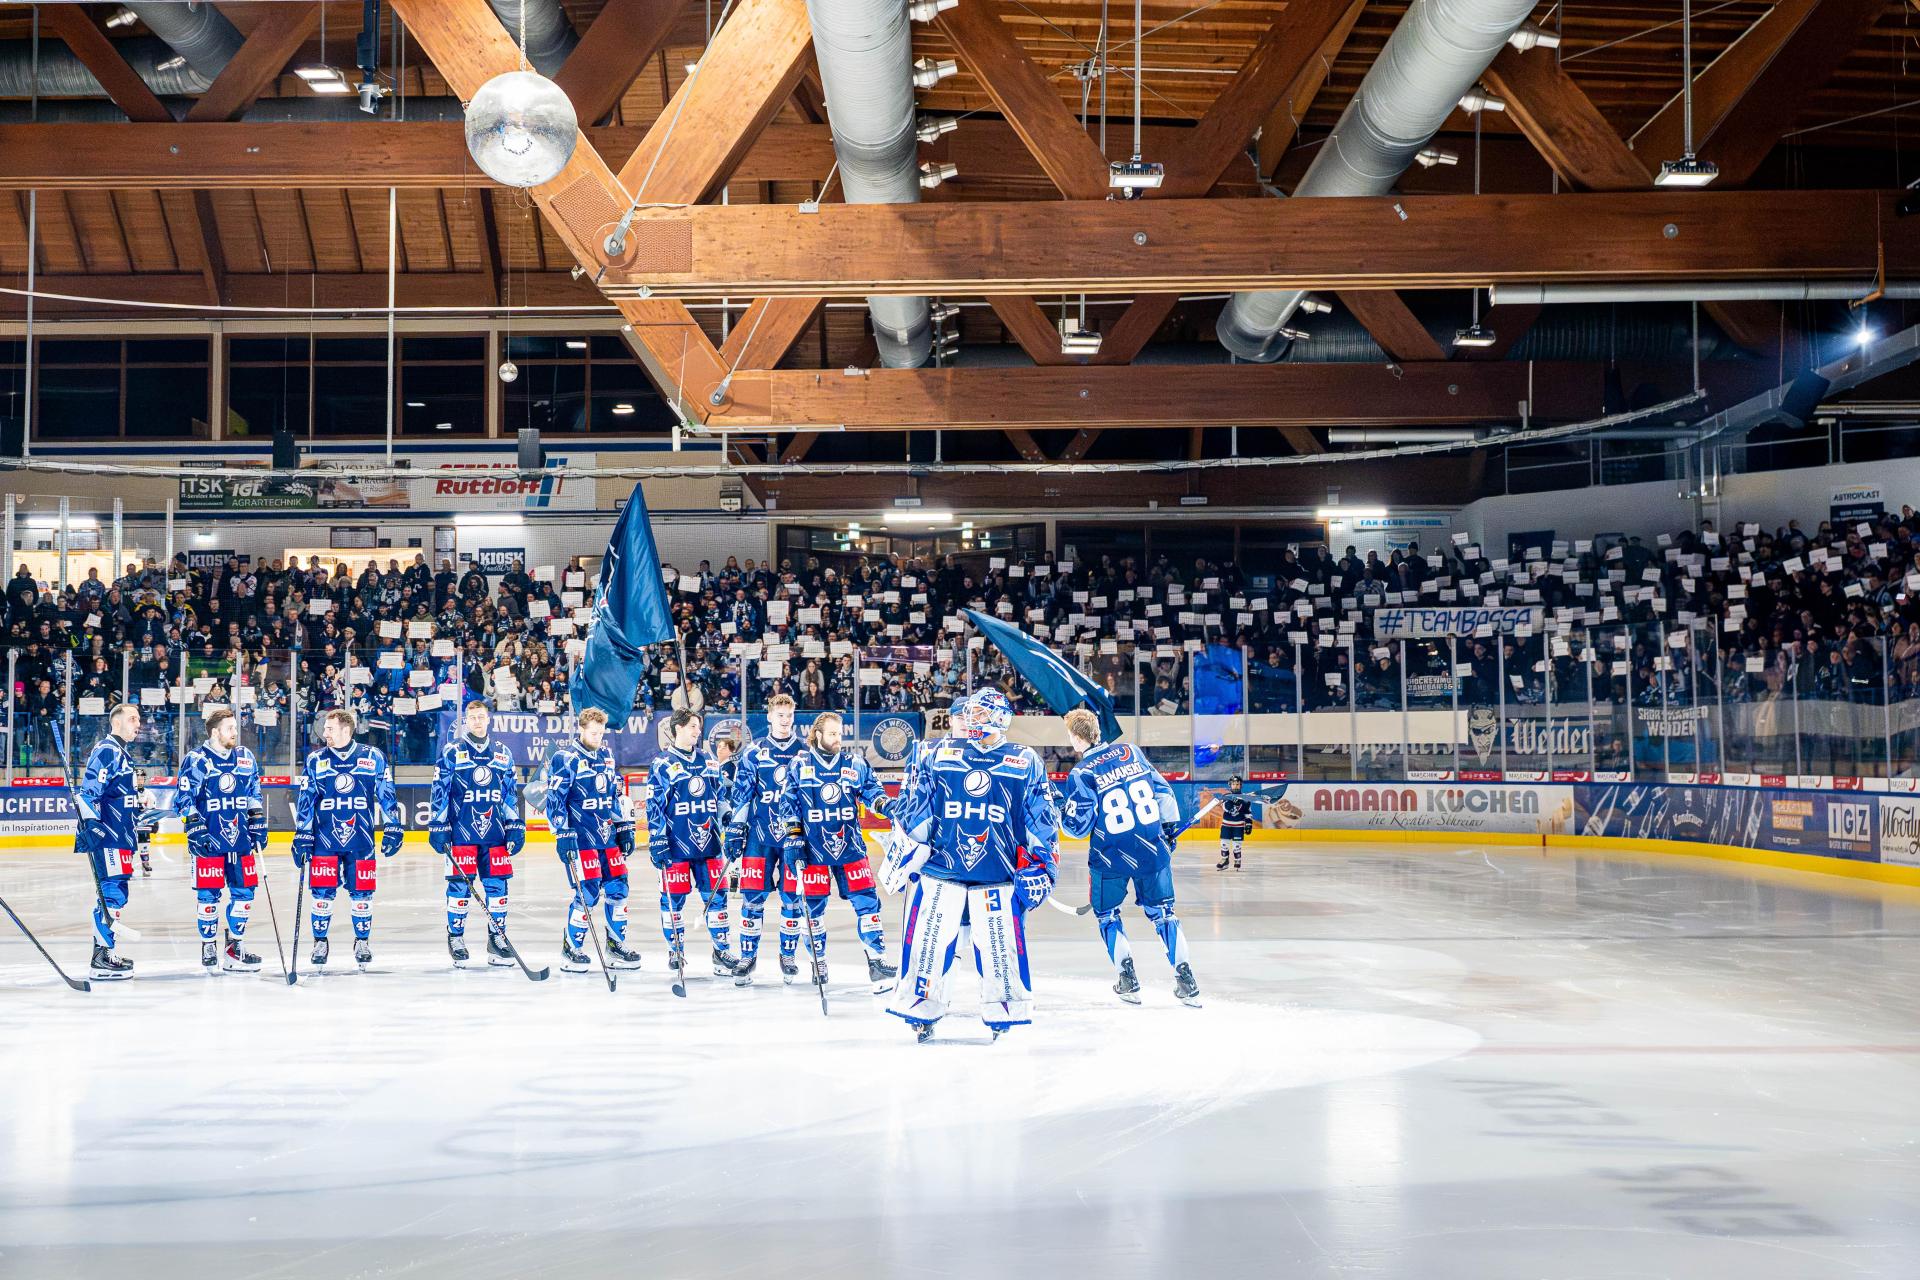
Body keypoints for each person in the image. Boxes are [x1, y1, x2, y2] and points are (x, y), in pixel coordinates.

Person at [881, 688, 1057, 1043]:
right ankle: (921, 1007)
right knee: (929, 944)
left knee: (998, 949)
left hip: (998, 874)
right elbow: (918, 811)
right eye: (970, 713)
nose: (971, 719)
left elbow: (1041, 819)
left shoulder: (1024, 761)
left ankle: (1002, 1010)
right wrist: (904, 856)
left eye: (980, 713)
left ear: (1000, 718)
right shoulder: (937, 754)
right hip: (941, 871)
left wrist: (1043, 867)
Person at [1058, 708, 1200, 1007]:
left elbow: (1076, 828)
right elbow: (1163, 791)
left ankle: (1127, 979)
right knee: (1164, 914)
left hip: (1110, 855)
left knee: (1108, 915)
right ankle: (1186, 979)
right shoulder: (1131, 752)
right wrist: (1169, 829)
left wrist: (1060, 807)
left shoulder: (1082, 773)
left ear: (1076, 738)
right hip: (1152, 849)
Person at [773, 710, 898, 992]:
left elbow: (872, 791)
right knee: (812, 908)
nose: (838, 738)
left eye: (839, 733)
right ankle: (818, 963)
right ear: (817, 735)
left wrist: (887, 806)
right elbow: (788, 804)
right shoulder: (799, 765)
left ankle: (877, 961)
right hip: (813, 850)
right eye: (832, 734)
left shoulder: (855, 763)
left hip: (850, 847)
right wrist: (793, 837)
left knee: (868, 902)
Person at [291, 707, 404, 968]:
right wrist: (302, 834)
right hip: (324, 841)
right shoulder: (316, 760)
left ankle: (362, 941)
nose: (325, 733)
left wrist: (393, 826)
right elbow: (306, 799)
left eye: (330, 729)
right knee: (322, 894)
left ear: (346, 730)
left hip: (361, 840)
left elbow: (386, 793)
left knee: (362, 893)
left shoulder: (372, 757)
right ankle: (320, 942)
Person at [429, 698, 525, 968]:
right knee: (459, 887)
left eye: (481, 717)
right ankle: (456, 937)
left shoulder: (503, 753)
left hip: (495, 834)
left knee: (498, 888)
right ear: (466, 721)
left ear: (488, 719)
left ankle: (497, 940)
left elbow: (509, 794)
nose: (477, 722)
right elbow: (439, 790)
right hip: (462, 834)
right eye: (472, 718)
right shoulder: (452, 751)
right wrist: (437, 825)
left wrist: (515, 825)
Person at [545, 706, 640, 972]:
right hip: (581, 839)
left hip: (607, 837)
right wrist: (562, 833)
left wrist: (624, 826)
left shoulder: (607, 756)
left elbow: (613, 796)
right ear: (582, 729)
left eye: (601, 733)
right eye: (594, 733)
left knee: (619, 888)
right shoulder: (566, 758)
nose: (598, 737)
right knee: (587, 892)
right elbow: (555, 800)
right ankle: (571, 949)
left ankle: (616, 946)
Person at [645, 708, 737, 978]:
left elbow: (719, 796)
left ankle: (721, 952)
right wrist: (657, 839)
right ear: (678, 729)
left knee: (717, 899)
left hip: (709, 846)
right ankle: (675, 951)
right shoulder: (662, 763)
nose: (698, 731)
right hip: (676, 847)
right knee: (673, 901)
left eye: (699, 726)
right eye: (693, 726)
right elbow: (654, 806)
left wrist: (727, 815)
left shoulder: (709, 760)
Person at [722, 693, 806, 986]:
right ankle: (748, 956)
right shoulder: (754, 752)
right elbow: (742, 794)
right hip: (760, 836)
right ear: (769, 716)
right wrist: (735, 830)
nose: (785, 720)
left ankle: (788, 956)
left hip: (794, 839)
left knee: (793, 899)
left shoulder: (804, 753)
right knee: (752, 897)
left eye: (789, 715)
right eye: (780, 715)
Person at [175, 707, 267, 973]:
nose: (235, 732)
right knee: (208, 896)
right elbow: (183, 799)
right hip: (209, 842)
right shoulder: (197, 760)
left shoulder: (245, 757)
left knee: (244, 895)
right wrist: (194, 827)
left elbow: (253, 792)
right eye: (230, 728)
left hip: (241, 841)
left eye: (235, 728)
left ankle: (235, 949)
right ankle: (208, 946)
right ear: (215, 732)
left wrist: (257, 820)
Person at [75, 702, 147, 981]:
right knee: (112, 894)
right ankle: (101, 957)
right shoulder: (108, 750)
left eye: (138, 719)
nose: (138, 724)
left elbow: (117, 796)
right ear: (116, 722)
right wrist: (92, 826)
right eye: (132, 719)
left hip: (122, 836)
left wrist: (139, 805)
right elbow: (89, 792)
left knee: (117, 893)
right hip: (110, 837)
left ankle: (106, 951)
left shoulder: (122, 754)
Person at [1217, 775, 1252, 871]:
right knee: (1224, 843)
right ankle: (1225, 860)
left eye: (1237, 784)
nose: (1235, 786)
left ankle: (1237, 860)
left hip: (1239, 826)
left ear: (1241, 785)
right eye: (1233, 784)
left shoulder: (1246, 799)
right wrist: (1232, 803)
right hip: (1226, 825)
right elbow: (1224, 806)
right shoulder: (1227, 796)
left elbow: (1247, 812)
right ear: (1230, 785)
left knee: (1237, 845)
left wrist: (1248, 823)